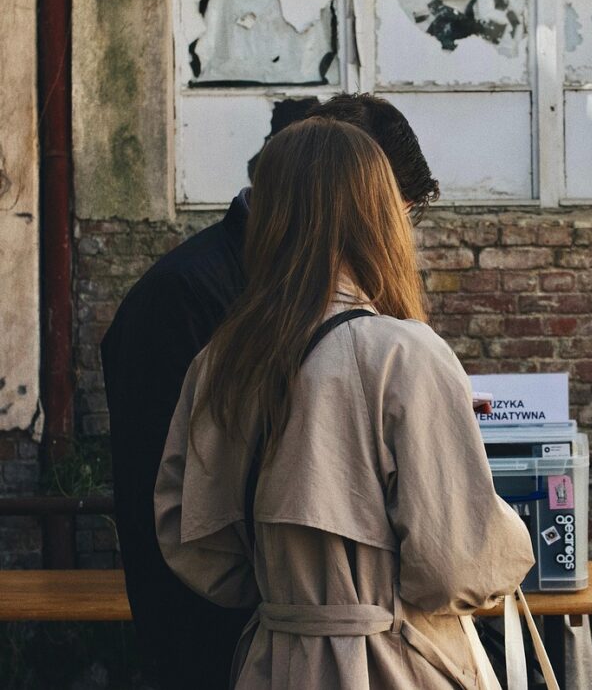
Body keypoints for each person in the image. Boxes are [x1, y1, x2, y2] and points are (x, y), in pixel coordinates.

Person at [154, 117, 534, 688]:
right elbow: (457, 567)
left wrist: (295, 594)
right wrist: (502, 525)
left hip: (273, 663)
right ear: (377, 216)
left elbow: (192, 542)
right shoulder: (404, 353)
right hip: (396, 662)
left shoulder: (222, 361)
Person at [101, 94, 441, 689]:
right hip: (230, 650)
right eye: (390, 211)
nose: (397, 235)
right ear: (341, 195)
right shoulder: (183, 300)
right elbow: (176, 518)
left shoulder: (327, 310)